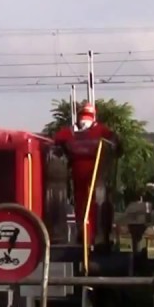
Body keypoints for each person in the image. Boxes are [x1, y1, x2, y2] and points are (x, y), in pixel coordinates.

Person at [51, 101, 120, 249]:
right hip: (89, 174)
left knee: (90, 204)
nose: (84, 120)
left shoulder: (71, 132)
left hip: (94, 173)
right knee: (89, 204)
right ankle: (90, 235)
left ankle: (91, 235)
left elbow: (56, 141)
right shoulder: (99, 130)